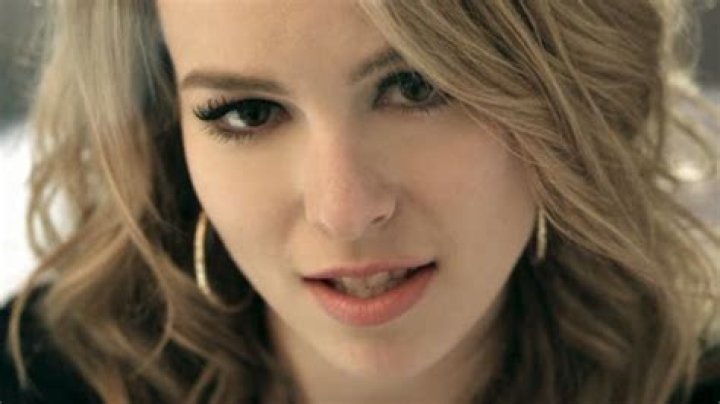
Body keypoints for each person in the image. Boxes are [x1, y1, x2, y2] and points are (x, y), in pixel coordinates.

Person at [1, 0, 719, 403]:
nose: (343, 211)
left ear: (571, 93)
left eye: (417, 86)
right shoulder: (35, 378)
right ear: (169, 135)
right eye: (248, 112)